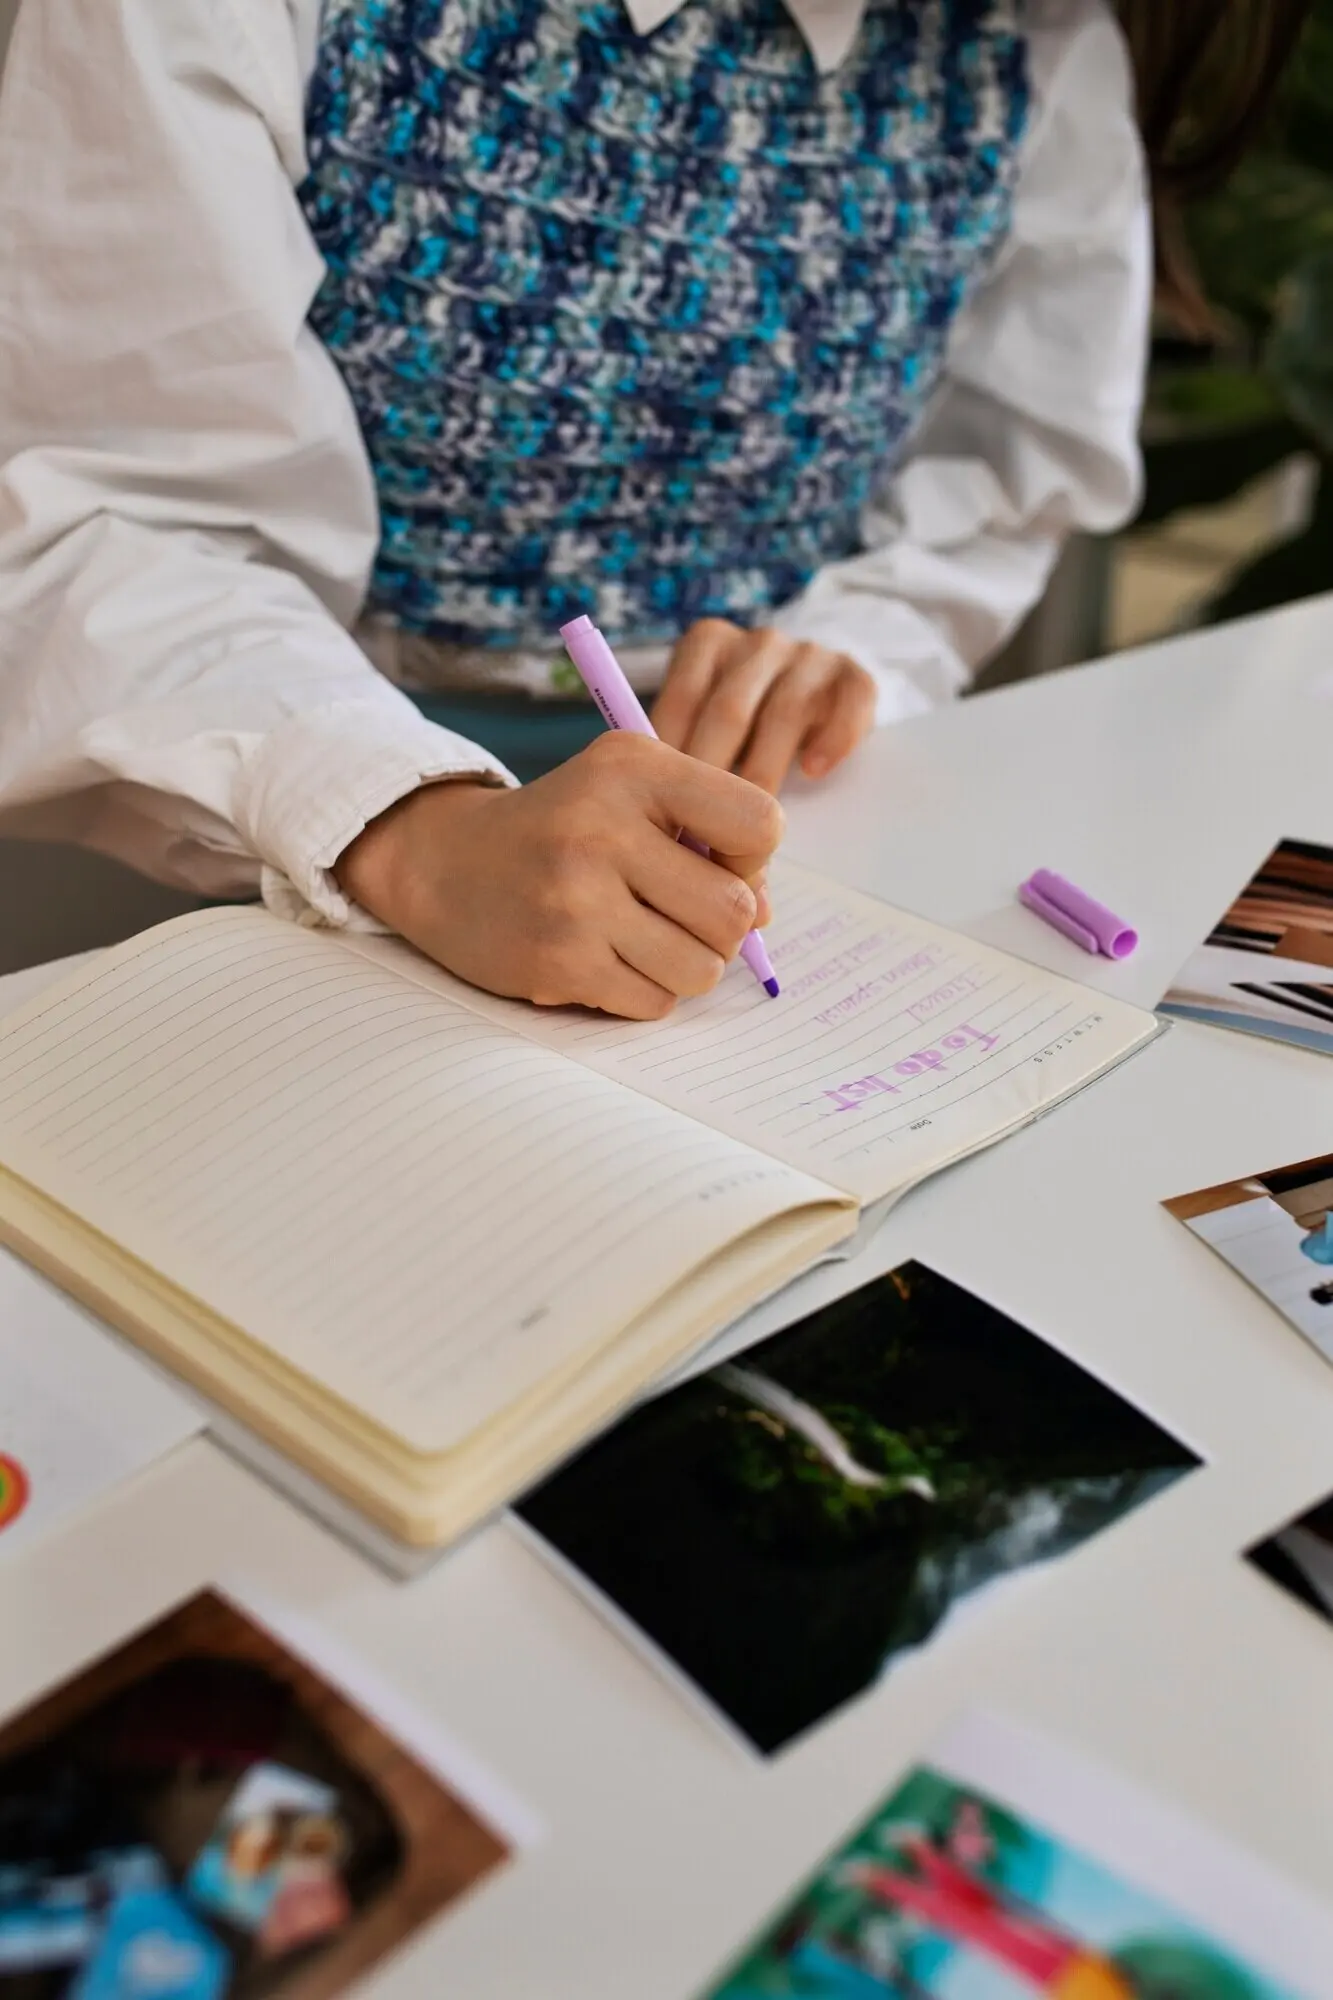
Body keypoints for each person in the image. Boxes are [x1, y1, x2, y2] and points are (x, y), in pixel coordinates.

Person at [0, 0, 1308, 1018]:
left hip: (762, 821)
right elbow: (109, 508)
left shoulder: (1030, 43)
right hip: (213, 802)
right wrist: (412, 829)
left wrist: (852, 650)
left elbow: (998, 472)